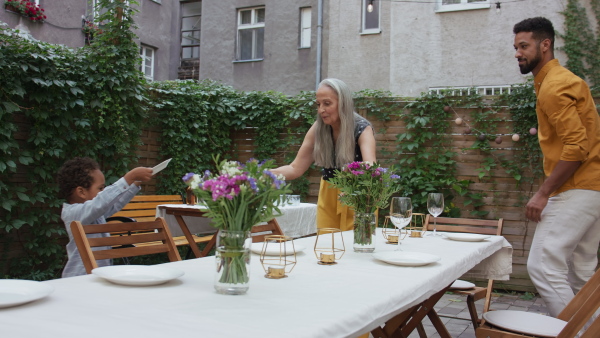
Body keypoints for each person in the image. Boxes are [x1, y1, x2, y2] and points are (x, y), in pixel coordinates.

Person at [513, 17, 600, 317]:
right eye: (516, 47)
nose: (518, 53)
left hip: (575, 188)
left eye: (524, 46)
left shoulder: (554, 85)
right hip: (593, 189)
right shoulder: (564, 80)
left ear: (545, 44)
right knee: (581, 274)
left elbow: (577, 148)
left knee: (543, 266)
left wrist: (543, 193)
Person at [271, 78, 376, 231]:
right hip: (329, 194)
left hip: (359, 195)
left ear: (343, 103)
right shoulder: (318, 129)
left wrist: (352, 174)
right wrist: (264, 174)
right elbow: (295, 168)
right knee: (326, 247)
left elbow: (371, 166)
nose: (321, 110)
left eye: (327, 103)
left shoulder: (362, 128)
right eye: (318, 104)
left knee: (357, 249)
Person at [57, 157, 153, 277]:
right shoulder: (73, 213)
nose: (103, 191)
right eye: (100, 188)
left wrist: (135, 184)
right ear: (81, 192)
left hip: (98, 275)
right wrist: (128, 179)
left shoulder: (95, 212)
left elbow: (115, 203)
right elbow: (101, 202)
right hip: (78, 278)